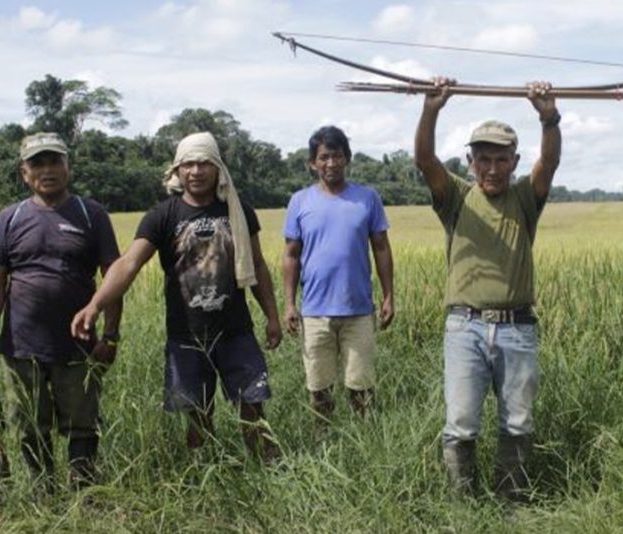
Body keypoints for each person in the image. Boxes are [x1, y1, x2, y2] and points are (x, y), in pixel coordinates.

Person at [71, 132, 283, 462]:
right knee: (197, 416)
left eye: (203, 163)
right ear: (177, 170)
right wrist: (95, 305)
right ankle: (204, 478)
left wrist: (271, 316)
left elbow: (255, 265)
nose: (196, 171)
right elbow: (129, 263)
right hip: (186, 336)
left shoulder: (239, 212)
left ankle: (269, 472)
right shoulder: (163, 216)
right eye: (188, 164)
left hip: (235, 332)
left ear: (217, 168)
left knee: (253, 408)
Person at [414, 78, 560, 501]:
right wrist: (431, 109)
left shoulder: (525, 198)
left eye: (501, 159)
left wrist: (548, 117)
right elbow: (424, 160)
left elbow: (549, 164)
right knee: (460, 425)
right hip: (465, 327)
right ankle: (464, 507)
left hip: (518, 329)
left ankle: (510, 503)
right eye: (483, 160)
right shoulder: (456, 198)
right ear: (470, 161)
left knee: (517, 422)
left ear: (514, 162)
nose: (492, 168)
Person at [0, 132, 122, 491]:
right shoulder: (10, 218)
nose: (47, 169)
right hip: (21, 346)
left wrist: (112, 334)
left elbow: (113, 278)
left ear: (68, 167)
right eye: (37, 163)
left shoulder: (92, 214)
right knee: (27, 424)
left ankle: (84, 493)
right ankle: (42, 493)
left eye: (55, 161)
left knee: (83, 423)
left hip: (78, 345)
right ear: (24, 173)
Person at [282, 126, 394, 423]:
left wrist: (389, 296)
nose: (331, 163)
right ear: (312, 163)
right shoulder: (300, 202)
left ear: (348, 159)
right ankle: (324, 442)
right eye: (324, 157)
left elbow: (381, 248)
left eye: (337, 156)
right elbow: (291, 255)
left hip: (358, 310)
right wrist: (290, 304)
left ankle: (364, 441)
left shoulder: (367, 198)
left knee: (362, 386)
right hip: (315, 312)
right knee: (319, 388)